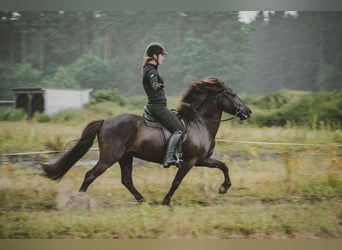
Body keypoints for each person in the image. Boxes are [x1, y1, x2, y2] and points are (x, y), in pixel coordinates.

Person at [141, 42, 185, 168]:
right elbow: (153, 80)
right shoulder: (151, 70)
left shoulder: (151, 69)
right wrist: (156, 85)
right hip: (157, 107)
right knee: (179, 130)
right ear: (155, 56)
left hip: (158, 106)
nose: (163, 57)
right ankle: (168, 157)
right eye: (162, 55)